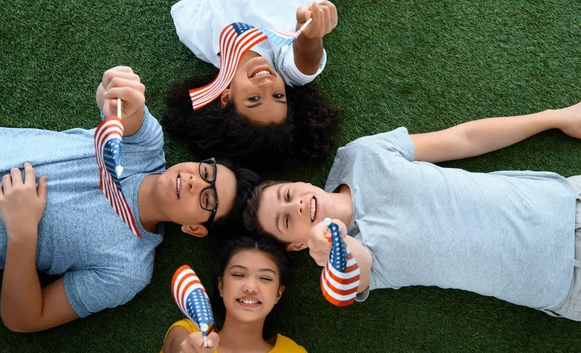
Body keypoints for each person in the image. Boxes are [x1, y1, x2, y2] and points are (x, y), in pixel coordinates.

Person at [0, 66, 260, 333]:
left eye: (207, 198)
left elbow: (25, 319)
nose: (193, 181)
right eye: (206, 171)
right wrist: (117, 88)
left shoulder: (128, 269)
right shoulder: (146, 145)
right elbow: (126, 106)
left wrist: (22, 233)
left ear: (195, 228)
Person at [243, 102, 581, 321]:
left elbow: (463, 139)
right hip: (565, 286)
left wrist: (554, 118)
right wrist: (332, 245)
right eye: (287, 220)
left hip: (564, 203)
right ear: (297, 245)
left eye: (288, 194)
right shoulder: (349, 261)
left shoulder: (362, 155)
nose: (297, 205)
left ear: (299, 182)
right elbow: (353, 267)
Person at [161, 0, 342, 170]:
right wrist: (310, 36)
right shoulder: (286, 65)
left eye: (254, 98)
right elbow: (307, 55)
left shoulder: (194, 32)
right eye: (278, 96)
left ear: (226, 97)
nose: (267, 85)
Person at [159, 236, 319, 353]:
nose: (250, 287)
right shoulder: (190, 330)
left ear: (278, 293)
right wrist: (188, 352)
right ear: (221, 285)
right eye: (238, 274)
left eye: (265, 278)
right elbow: (175, 348)